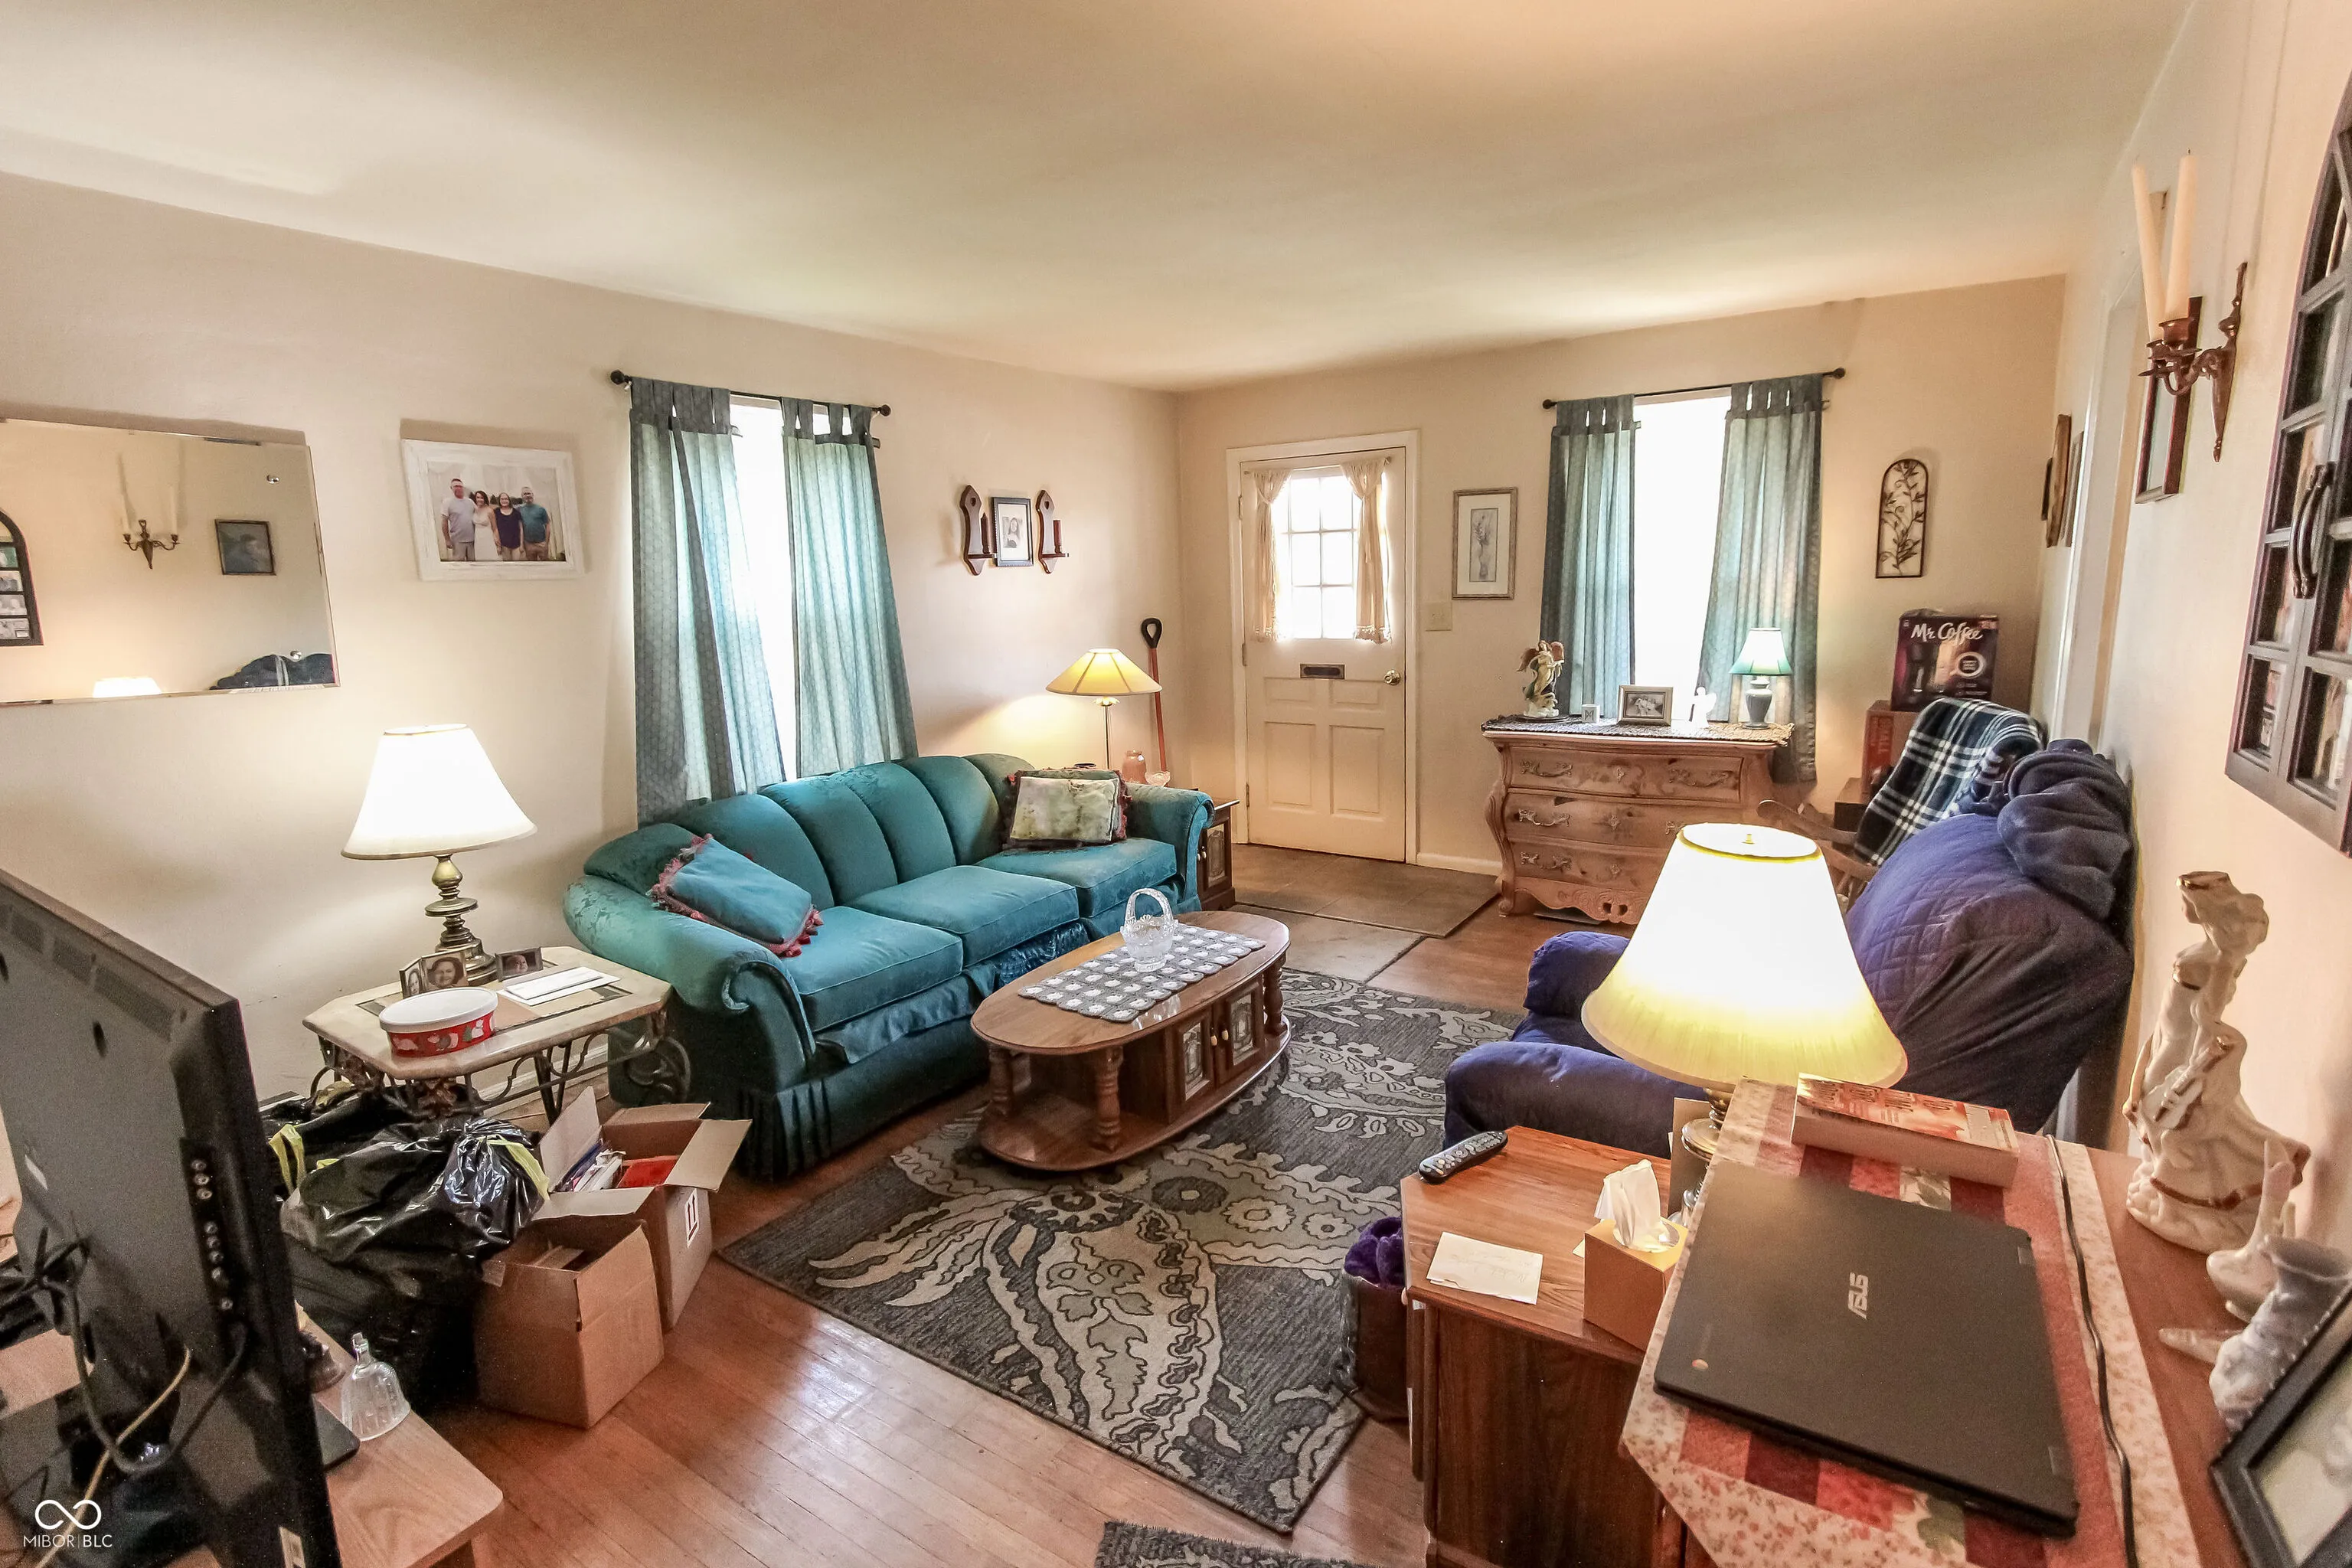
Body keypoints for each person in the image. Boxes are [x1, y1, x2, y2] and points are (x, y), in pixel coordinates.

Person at [439, 477, 476, 560]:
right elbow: (444, 522)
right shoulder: (447, 502)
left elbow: (480, 512)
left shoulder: (470, 502)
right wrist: (447, 540)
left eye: (460, 486)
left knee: (473, 563)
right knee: (459, 564)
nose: (458, 488)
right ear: (451, 488)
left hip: (472, 540)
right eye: (456, 486)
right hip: (457, 541)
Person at [517, 486, 553, 562]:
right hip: (528, 544)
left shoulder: (541, 509)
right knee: (532, 565)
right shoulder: (520, 510)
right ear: (522, 497)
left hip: (541, 543)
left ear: (532, 495)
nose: (527, 496)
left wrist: (546, 544)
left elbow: (548, 526)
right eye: (525, 494)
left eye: (529, 493)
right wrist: (522, 544)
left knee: (545, 564)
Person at [492, 493, 524, 560]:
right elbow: (494, 529)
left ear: (509, 500)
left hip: (516, 544)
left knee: (517, 564)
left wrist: (522, 544)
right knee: (507, 565)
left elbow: (521, 529)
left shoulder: (516, 513)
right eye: (502, 499)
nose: (504, 501)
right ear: (499, 500)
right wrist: (498, 545)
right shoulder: (496, 512)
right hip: (503, 545)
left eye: (506, 499)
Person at [470, 490, 495, 563]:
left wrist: (497, 542)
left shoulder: (490, 511)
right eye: (478, 497)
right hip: (478, 539)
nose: (480, 499)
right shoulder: (474, 510)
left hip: (488, 538)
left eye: (482, 498)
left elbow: (495, 528)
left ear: (485, 499)